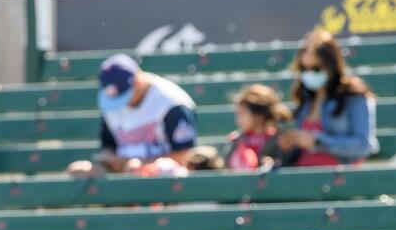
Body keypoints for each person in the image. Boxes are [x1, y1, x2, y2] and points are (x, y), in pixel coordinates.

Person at [66, 54, 197, 178]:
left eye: (124, 96)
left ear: (137, 82)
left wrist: (138, 164)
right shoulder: (112, 106)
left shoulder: (171, 102)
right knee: (79, 170)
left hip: (161, 177)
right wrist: (109, 159)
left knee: (151, 169)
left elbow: (183, 158)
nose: (120, 104)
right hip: (121, 174)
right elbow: (109, 146)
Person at [277, 30, 378, 167]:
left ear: (331, 65)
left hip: (339, 178)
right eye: (304, 69)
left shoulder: (354, 95)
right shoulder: (305, 98)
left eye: (316, 68)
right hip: (300, 177)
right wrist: (288, 145)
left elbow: (364, 145)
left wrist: (318, 141)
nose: (309, 73)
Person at [220, 84, 290, 170]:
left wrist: (272, 165)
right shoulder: (235, 141)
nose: (238, 120)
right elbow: (225, 169)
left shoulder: (279, 140)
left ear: (259, 116)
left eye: (242, 113)